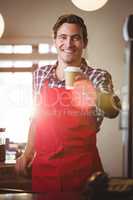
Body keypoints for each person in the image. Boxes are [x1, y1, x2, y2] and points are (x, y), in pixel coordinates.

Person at [15, 14, 121, 192]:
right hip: (45, 172)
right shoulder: (40, 75)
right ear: (55, 41)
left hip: (84, 174)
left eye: (76, 38)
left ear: (84, 43)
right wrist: (27, 153)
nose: (69, 44)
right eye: (63, 37)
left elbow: (113, 111)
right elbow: (36, 119)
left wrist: (93, 93)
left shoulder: (98, 77)